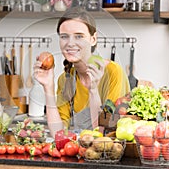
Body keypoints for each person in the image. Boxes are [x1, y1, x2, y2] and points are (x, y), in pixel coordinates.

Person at [33, 7, 130, 138]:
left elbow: (105, 135)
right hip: (80, 153)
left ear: (93, 39)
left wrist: (93, 90)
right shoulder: (65, 79)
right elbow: (58, 134)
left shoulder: (113, 72)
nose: (70, 43)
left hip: (108, 154)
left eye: (79, 36)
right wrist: (48, 87)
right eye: (64, 37)